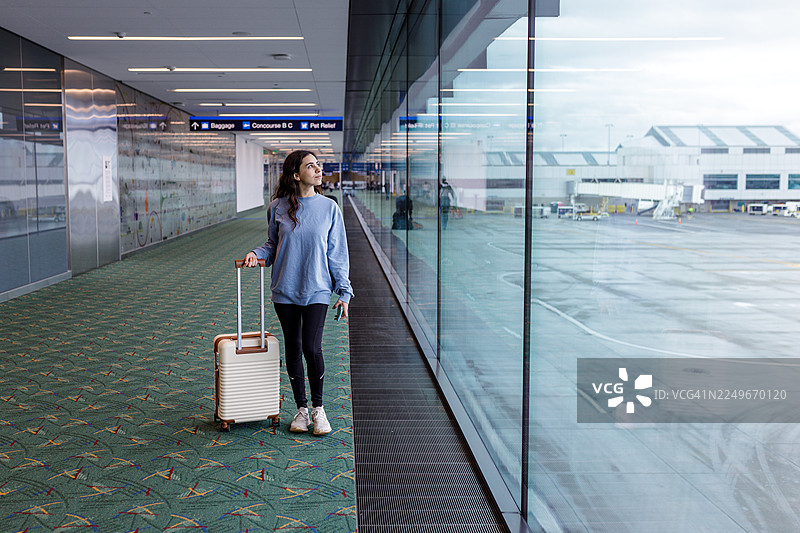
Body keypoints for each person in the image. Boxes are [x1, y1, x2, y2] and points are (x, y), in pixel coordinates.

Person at [243, 150, 354, 436]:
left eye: (318, 165)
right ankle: (301, 409)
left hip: (318, 288)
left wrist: (344, 291)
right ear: (296, 174)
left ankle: (319, 409)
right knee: (293, 348)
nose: (318, 169)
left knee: (311, 348)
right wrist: (256, 254)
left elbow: (337, 253)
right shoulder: (277, 207)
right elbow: (272, 244)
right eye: (310, 166)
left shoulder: (329, 208)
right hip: (286, 289)